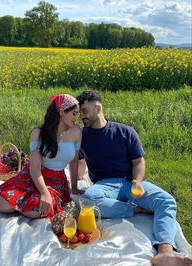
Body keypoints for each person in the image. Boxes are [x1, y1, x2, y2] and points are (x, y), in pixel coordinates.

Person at [76, 90, 192, 266]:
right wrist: (74, 180)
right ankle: (137, 210)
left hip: (130, 183)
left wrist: (137, 181)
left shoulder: (125, 131)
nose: (81, 116)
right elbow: (78, 161)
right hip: (104, 185)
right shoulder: (81, 136)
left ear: (98, 108)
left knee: (166, 200)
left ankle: (165, 252)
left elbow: (138, 161)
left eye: (84, 111)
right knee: (89, 200)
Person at [0, 94, 82, 219]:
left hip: (56, 180)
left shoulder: (77, 132)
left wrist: (74, 188)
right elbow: (35, 169)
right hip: (34, 176)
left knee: (36, 211)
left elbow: (74, 162)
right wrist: (44, 193)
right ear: (61, 112)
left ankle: (19, 200)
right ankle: (0, 192)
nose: (77, 118)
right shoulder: (38, 133)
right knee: (2, 205)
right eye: (74, 113)